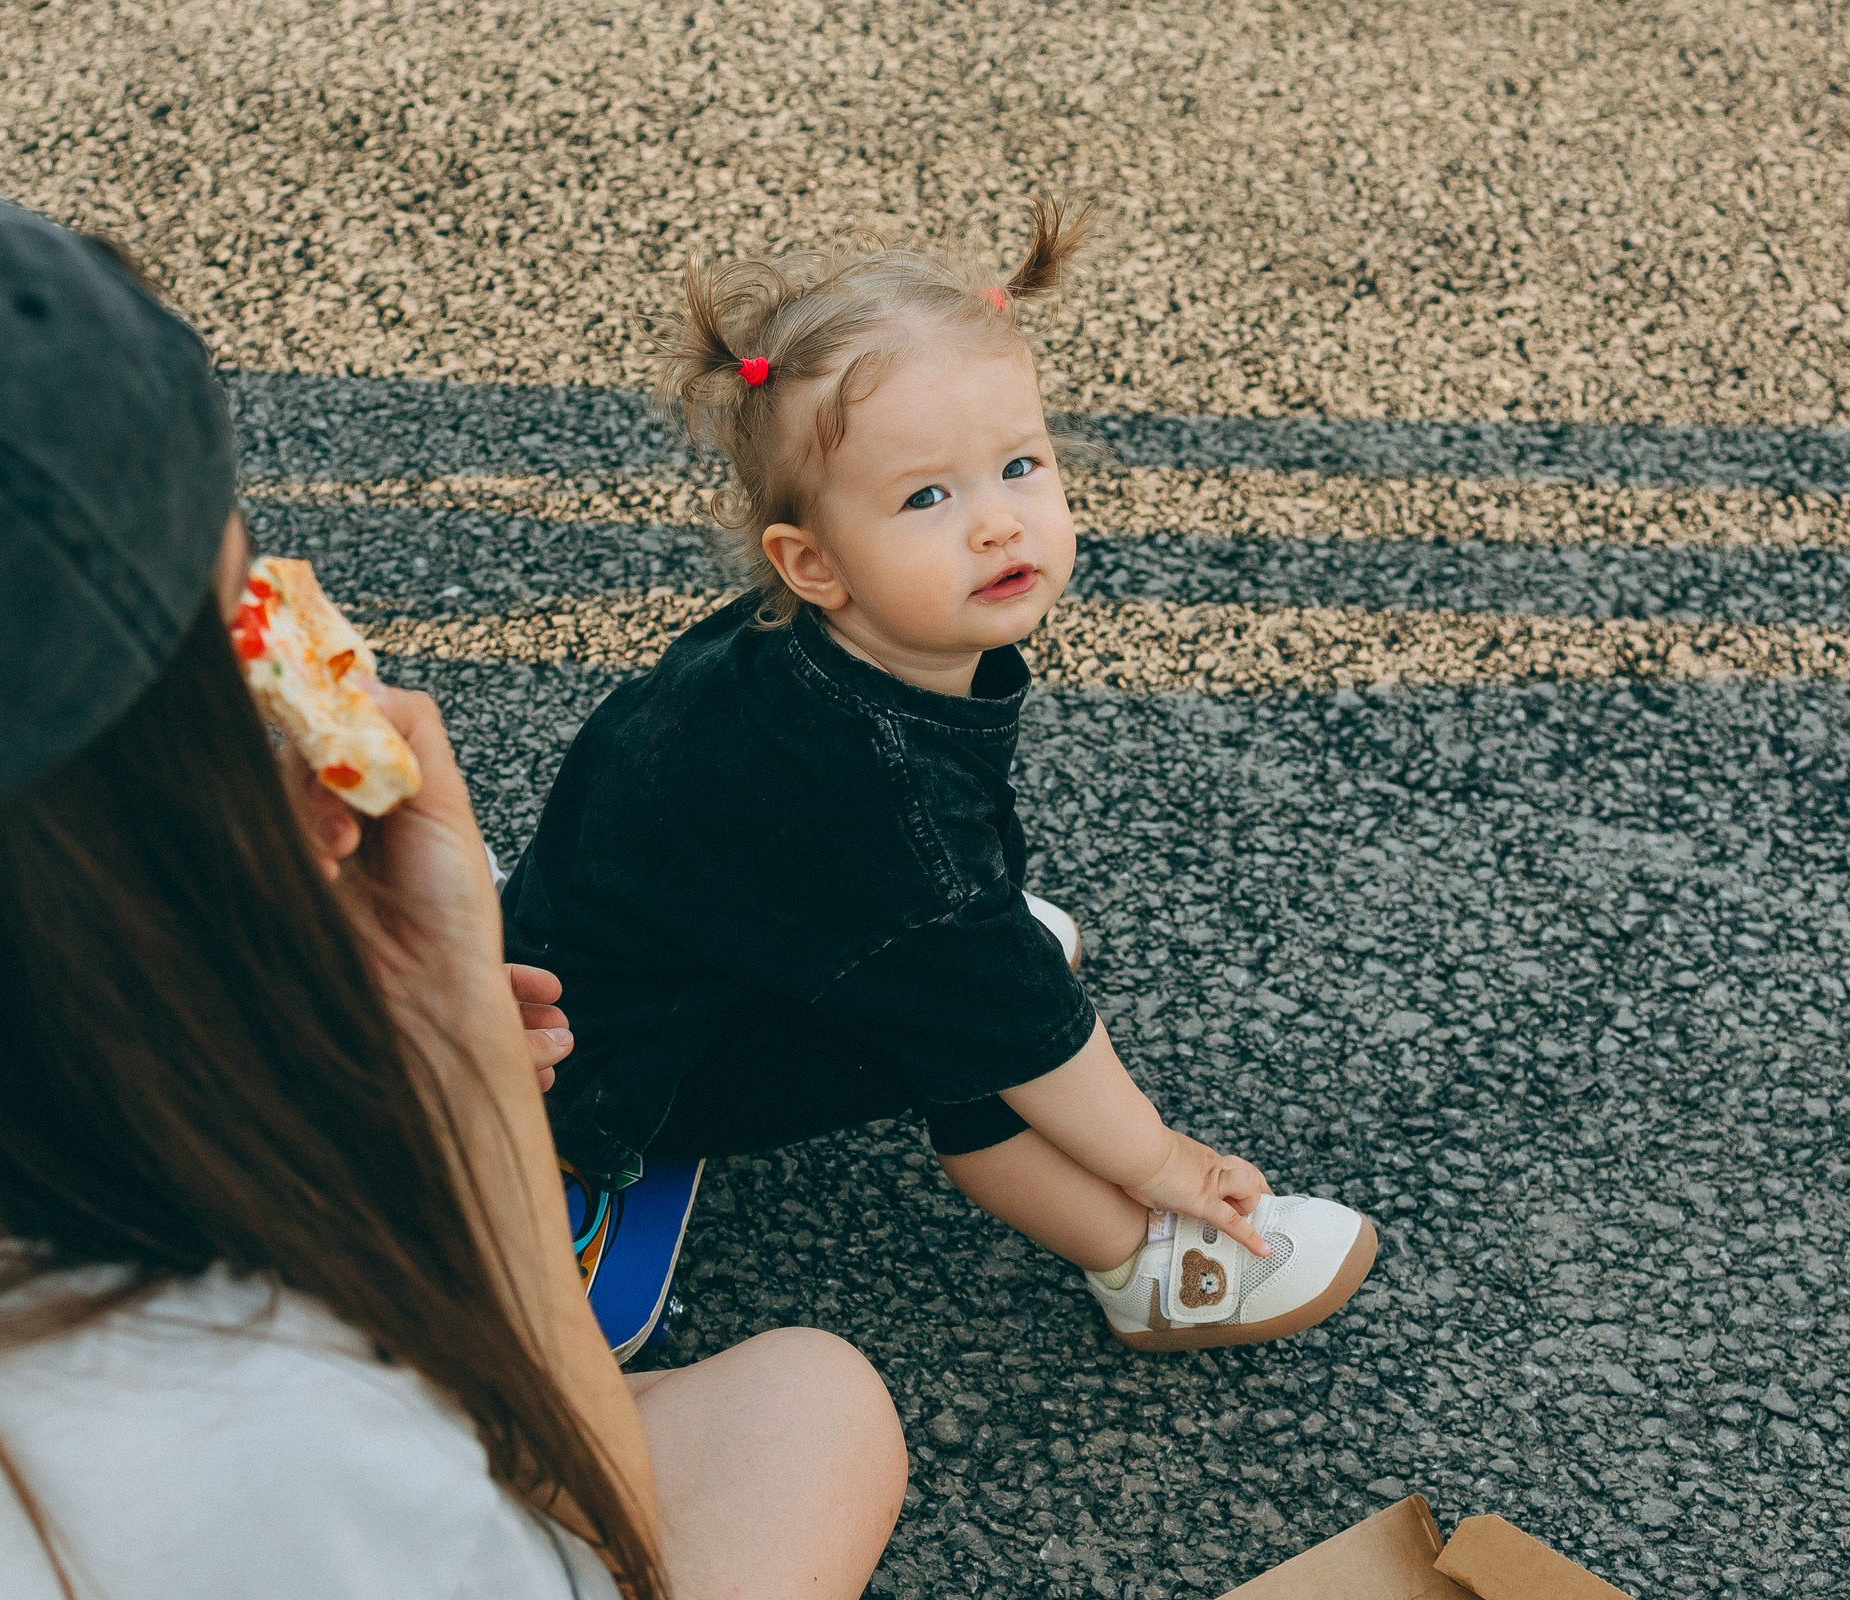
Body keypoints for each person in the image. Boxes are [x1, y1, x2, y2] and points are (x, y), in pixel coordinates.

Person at [0, 180, 906, 1600]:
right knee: (812, 1412)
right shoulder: (246, 1440)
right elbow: (597, 1520)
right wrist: (465, 1085)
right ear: (115, 813)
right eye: (241, 631)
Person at [501, 202, 1379, 1352]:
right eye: (928, 496)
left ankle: (959, 960)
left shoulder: (807, 663)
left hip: (616, 959)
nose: (996, 521)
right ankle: (1141, 1263)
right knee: (965, 1032)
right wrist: (1166, 1160)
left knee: (956, 952)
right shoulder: (865, 785)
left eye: (1019, 465)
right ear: (811, 562)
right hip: (616, 1070)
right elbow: (1016, 1021)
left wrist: (966, 929)